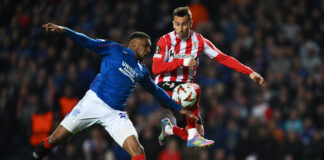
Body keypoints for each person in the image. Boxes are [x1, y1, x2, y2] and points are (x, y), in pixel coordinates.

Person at [31, 23, 198, 160]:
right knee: (55, 138)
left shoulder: (142, 70)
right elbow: (88, 42)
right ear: (134, 44)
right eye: (147, 46)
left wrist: (177, 108)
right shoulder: (115, 49)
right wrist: (65, 30)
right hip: (93, 102)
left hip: (115, 114)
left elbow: (156, 91)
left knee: (138, 151)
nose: (149, 50)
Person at [152, 6, 265, 148]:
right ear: (173, 24)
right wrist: (182, 62)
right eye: (177, 24)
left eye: (184, 24)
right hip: (164, 86)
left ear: (191, 23)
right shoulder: (165, 41)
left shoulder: (199, 41)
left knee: (199, 132)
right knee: (194, 89)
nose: (180, 28)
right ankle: (191, 135)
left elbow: (223, 58)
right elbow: (156, 69)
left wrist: (250, 72)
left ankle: (170, 129)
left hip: (184, 91)